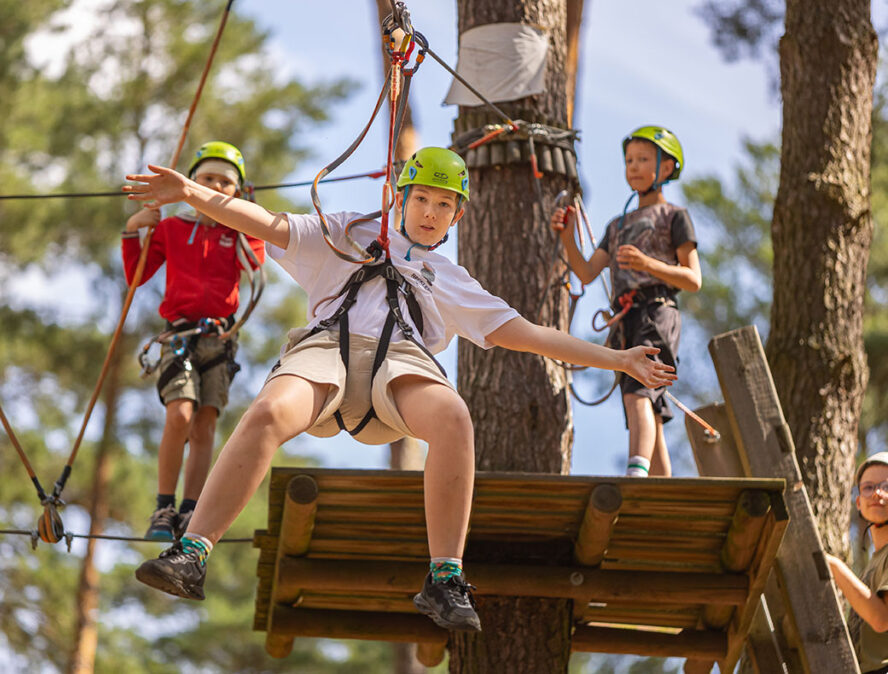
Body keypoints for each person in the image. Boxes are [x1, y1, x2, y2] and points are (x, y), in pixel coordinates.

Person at [123, 146, 676, 631]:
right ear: (400, 198)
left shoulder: (449, 278)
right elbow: (265, 223)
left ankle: (445, 576)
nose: (431, 213)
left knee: (453, 417)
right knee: (268, 411)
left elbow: (529, 334)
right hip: (327, 349)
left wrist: (618, 358)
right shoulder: (345, 232)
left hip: (402, 365)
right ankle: (192, 551)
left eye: (444, 205)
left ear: (457, 215)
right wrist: (191, 193)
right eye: (422, 200)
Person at [122, 141, 265, 541]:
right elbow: (136, 276)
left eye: (225, 182)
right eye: (207, 179)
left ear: (239, 191)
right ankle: (163, 506)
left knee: (204, 424)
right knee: (180, 415)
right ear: (190, 183)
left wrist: (245, 220)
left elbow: (256, 263)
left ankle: (189, 510)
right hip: (180, 336)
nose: (216, 187)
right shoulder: (172, 228)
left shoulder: (237, 231)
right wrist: (134, 229)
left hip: (220, 338)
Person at [550, 125, 701, 478]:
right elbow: (587, 272)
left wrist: (648, 264)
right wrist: (567, 236)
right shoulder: (616, 226)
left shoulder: (674, 216)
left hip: (656, 311)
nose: (633, 167)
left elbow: (693, 279)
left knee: (639, 392)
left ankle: (636, 475)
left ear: (666, 167)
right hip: (627, 319)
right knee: (649, 404)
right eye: (629, 160)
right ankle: (663, 491)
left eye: (643, 159)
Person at [827, 452, 888, 673]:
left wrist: (835, 567)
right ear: (859, 503)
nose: (877, 493)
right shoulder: (874, 563)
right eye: (868, 487)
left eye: (886, 486)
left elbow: (881, 619)